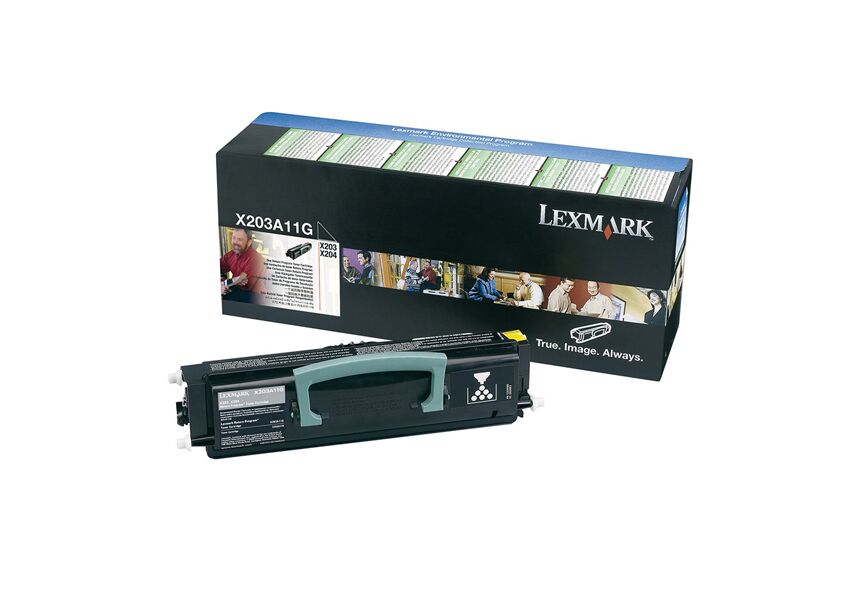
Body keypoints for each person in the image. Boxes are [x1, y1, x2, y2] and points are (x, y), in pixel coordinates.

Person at [220, 228, 264, 301]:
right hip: (238, 291)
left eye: (240, 239)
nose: (235, 242)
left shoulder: (255, 258)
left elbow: (241, 280)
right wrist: (221, 283)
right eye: (233, 238)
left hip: (255, 296)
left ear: (249, 242)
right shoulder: (231, 255)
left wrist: (223, 284)